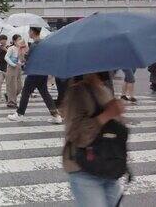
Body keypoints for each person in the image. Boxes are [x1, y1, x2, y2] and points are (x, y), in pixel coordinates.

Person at [63, 72, 125, 207]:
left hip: (109, 167)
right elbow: (75, 135)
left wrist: (117, 114)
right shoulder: (77, 92)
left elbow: (114, 131)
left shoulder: (105, 89)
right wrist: (107, 114)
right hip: (84, 170)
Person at [8, 27, 62, 124]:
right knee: (45, 93)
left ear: (32, 32)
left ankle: (19, 114)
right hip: (43, 72)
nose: (28, 33)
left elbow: (26, 59)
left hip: (34, 73)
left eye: (29, 31)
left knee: (25, 92)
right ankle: (56, 116)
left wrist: (21, 48)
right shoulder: (44, 43)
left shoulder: (35, 44)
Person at [4, 35, 24, 108]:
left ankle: (8, 95)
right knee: (12, 86)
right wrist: (12, 64)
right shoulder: (11, 48)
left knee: (19, 87)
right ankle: (12, 102)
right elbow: (6, 57)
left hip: (18, 68)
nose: (20, 41)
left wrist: (22, 62)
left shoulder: (21, 49)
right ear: (14, 41)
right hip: (12, 68)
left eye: (21, 39)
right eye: (19, 40)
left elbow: (22, 59)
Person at [0, 35, 9, 103]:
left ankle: (8, 95)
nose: (1, 41)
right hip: (0, 67)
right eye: (0, 40)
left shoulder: (9, 46)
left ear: (5, 40)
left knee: (8, 84)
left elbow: (11, 55)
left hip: (7, 67)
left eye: (2, 40)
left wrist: (5, 49)